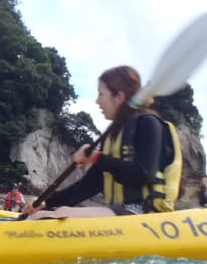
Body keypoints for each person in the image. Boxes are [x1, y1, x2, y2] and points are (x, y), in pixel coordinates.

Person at [23, 65, 181, 219]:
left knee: (56, 216)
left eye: (101, 94)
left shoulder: (148, 123)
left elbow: (142, 174)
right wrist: (46, 202)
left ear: (119, 97)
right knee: (49, 213)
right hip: (120, 212)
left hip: (146, 214)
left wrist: (96, 157)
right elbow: (87, 186)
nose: (97, 101)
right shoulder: (112, 136)